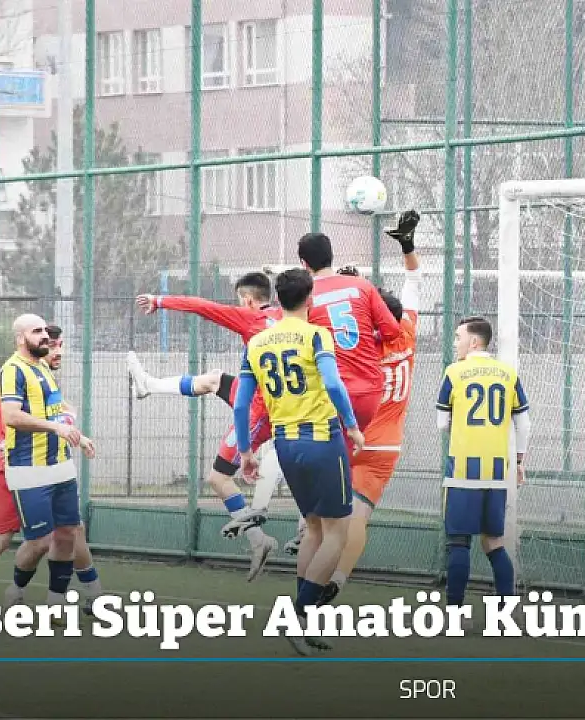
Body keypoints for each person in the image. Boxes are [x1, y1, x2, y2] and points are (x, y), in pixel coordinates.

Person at [235, 268, 364, 655]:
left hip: (285, 445)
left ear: (277, 298)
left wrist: (246, 451)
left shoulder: (257, 342)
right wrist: (352, 426)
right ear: (310, 299)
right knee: (337, 533)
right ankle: (298, 616)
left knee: (313, 529)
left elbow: (241, 404)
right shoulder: (316, 335)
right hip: (322, 439)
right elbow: (333, 383)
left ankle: (303, 624)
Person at [129, 271, 281, 580]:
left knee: (218, 478)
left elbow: (202, 306)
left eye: (239, 300)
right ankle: (149, 385)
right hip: (261, 393)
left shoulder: (250, 318)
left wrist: (160, 301)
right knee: (214, 379)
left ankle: (258, 540)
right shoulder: (288, 316)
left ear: (247, 300)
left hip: (260, 411)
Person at [0, 325, 105, 609]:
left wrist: (72, 430)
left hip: (48, 469)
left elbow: (61, 413)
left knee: (71, 531)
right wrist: (0, 442)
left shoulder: (45, 377)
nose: (57, 352)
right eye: (53, 346)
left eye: (60, 346)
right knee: (6, 539)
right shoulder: (14, 376)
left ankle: (86, 595)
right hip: (15, 469)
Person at [322, 210, 422, 602]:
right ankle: (341, 576)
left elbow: (343, 320)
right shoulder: (408, 334)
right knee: (359, 516)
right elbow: (413, 283)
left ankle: (309, 544)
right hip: (387, 446)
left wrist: (350, 282)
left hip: (353, 434)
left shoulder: (362, 347)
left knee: (326, 509)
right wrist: (407, 246)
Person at [0, 314, 95, 609]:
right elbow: (11, 416)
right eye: (36, 331)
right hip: (29, 468)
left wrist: (78, 435)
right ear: (20, 338)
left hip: (61, 465)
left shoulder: (42, 367)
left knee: (68, 534)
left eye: (45, 331)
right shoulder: (12, 370)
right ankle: (16, 589)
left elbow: (55, 411)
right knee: (40, 542)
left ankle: (56, 600)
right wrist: (55, 428)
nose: (44, 336)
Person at [436, 316, 530, 620]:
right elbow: (524, 423)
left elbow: (442, 423)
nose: (455, 342)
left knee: (458, 543)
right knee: (494, 544)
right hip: (497, 473)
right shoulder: (508, 373)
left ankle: (453, 617)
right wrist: (519, 461)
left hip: (463, 472)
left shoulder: (454, 372)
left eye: (458, 336)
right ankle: (506, 616)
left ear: (474, 342)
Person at [297, 231, 402, 444]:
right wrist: (368, 337)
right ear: (331, 256)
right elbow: (392, 330)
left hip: (330, 392)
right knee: (346, 451)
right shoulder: (362, 286)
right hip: (369, 392)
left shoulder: (305, 296)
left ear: (304, 263)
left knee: (324, 454)